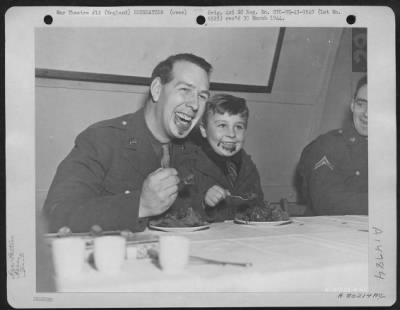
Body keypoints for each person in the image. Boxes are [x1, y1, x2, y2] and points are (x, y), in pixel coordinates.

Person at [42, 53, 212, 233]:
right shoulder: (101, 139)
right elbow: (54, 217)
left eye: (202, 96)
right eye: (185, 90)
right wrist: (140, 205)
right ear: (156, 89)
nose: (194, 105)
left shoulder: (196, 148)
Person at [169, 94, 265, 222]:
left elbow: (258, 205)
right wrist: (203, 201)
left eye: (238, 127)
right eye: (222, 126)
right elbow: (177, 213)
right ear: (203, 130)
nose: (231, 134)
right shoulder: (188, 165)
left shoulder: (247, 167)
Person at [297, 75, 368, 215]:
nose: (366, 113)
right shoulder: (329, 145)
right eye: (361, 104)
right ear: (352, 105)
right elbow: (327, 205)